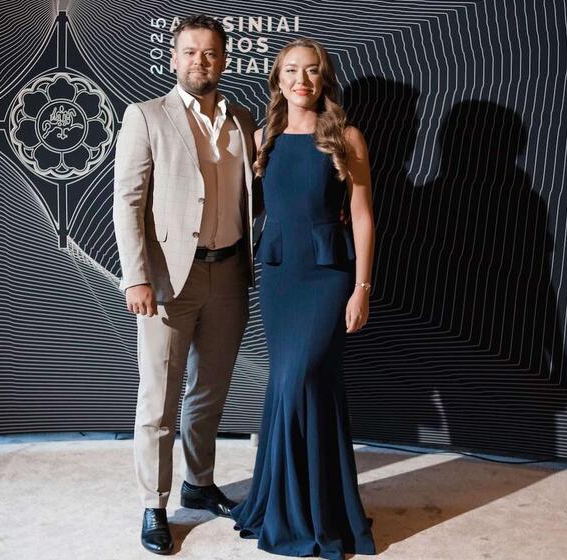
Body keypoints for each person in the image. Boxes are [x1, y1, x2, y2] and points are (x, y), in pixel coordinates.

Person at [112, 15, 259, 555]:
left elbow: (252, 194)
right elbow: (127, 202)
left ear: (224, 60)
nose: (201, 61)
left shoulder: (243, 120)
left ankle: (199, 483)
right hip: (170, 278)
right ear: (174, 59)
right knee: (159, 397)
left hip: (230, 273)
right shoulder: (146, 116)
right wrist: (137, 277)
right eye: (191, 52)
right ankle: (154, 504)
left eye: (211, 52)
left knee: (209, 390)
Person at [230, 38, 377, 559]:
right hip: (279, 275)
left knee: (301, 381)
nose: (302, 80)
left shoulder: (346, 138)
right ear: (277, 79)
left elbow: (362, 216)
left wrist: (362, 288)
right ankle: (298, 505)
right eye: (291, 70)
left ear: (323, 79)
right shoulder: (262, 137)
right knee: (294, 385)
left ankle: (307, 514)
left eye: (312, 71)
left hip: (327, 276)